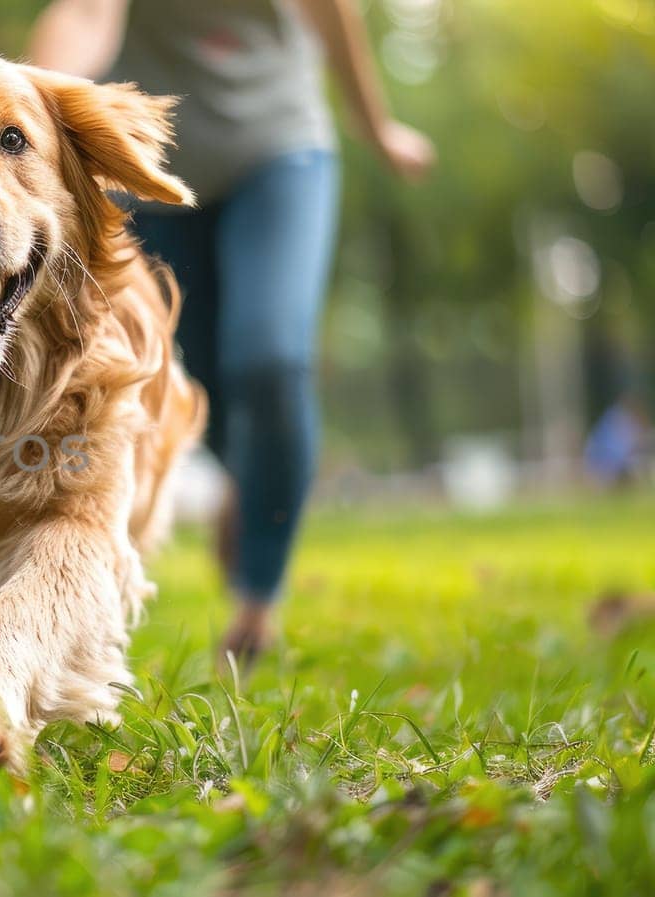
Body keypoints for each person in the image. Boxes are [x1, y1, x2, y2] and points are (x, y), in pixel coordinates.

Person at [30, 0, 436, 661]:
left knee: (270, 361)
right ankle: (249, 480)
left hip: (279, 148)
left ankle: (257, 597)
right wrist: (24, 105)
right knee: (208, 382)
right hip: (155, 164)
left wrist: (377, 125)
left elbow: (334, 14)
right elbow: (84, 13)